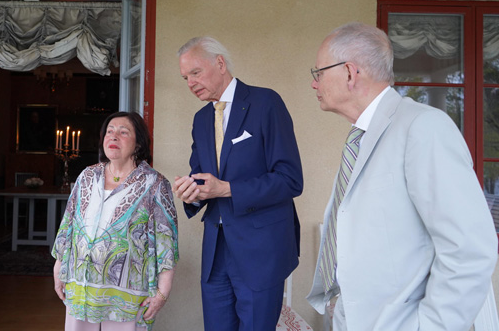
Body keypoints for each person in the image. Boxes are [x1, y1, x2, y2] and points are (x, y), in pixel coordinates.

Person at [306, 22, 498, 330]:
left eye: (319, 73)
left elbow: (469, 250)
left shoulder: (423, 127)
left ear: (350, 73)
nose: (314, 84)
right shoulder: (361, 138)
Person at [174, 36, 303, 331]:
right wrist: (191, 193)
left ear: (220, 64)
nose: (191, 83)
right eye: (185, 78)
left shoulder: (265, 102)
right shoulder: (201, 119)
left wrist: (227, 189)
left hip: (261, 249)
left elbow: (290, 179)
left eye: (195, 73)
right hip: (216, 251)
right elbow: (201, 176)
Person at [52, 111, 179, 331]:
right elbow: (68, 225)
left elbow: (166, 241)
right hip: (80, 286)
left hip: (128, 296)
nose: (114, 136)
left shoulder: (155, 184)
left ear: (138, 143)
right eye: (109, 131)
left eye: (123, 132)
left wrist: (162, 292)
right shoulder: (87, 177)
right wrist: (58, 268)